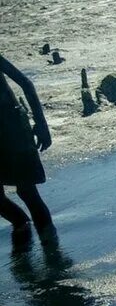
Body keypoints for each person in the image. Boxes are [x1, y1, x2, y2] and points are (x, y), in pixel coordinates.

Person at [0, 54, 53, 236]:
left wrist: (41, 124)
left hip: (13, 128)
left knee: (27, 191)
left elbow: (26, 83)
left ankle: (50, 248)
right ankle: (22, 223)